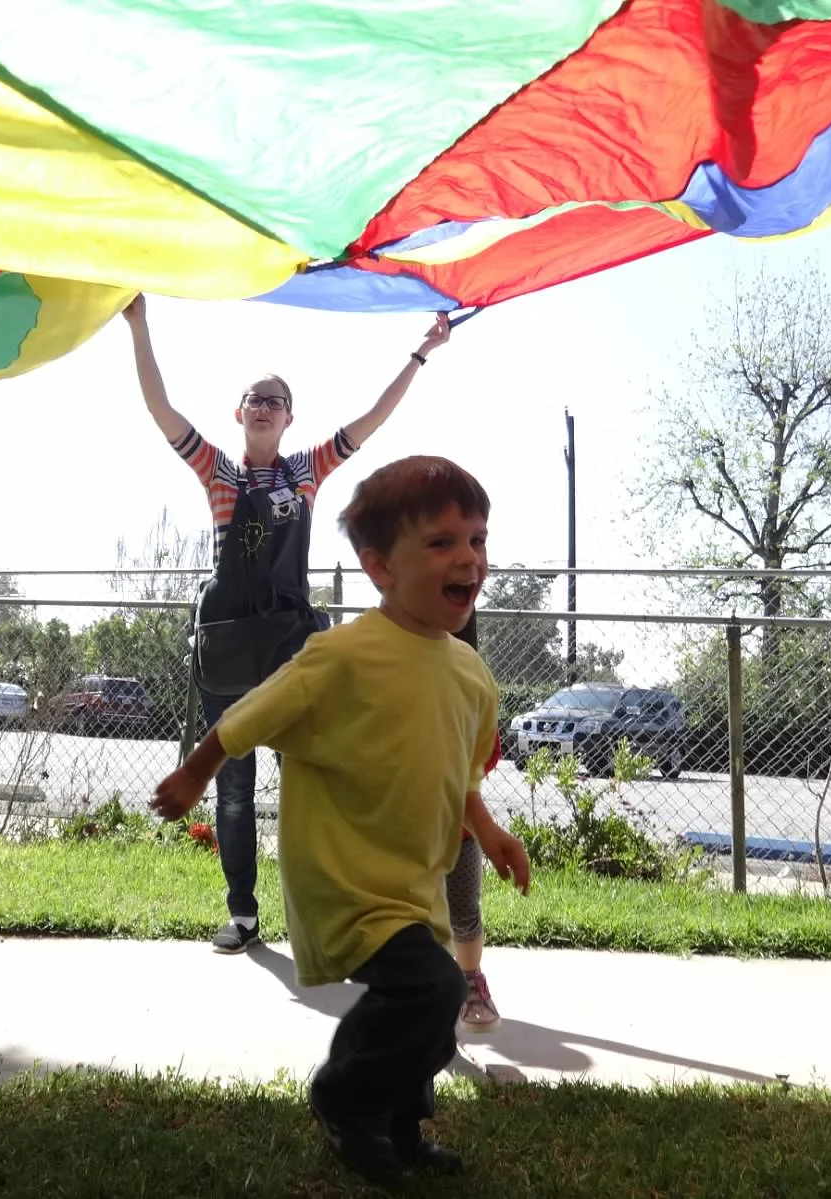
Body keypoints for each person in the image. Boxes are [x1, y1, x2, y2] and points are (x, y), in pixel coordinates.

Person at [152, 455, 531, 1184]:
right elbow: (249, 714)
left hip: (414, 883)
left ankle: (398, 1126)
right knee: (434, 988)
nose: (469, 559)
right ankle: (342, 1097)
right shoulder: (341, 656)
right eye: (444, 542)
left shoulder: (470, 674)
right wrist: (196, 771)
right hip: (346, 878)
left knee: (423, 1003)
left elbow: (458, 774)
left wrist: (490, 831)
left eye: (479, 540)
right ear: (380, 565)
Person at [123, 294, 452, 954]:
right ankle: (242, 913)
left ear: (289, 415)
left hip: (291, 646)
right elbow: (162, 410)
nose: (264, 405)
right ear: (239, 413)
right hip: (227, 647)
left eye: (275, 398)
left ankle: (340, 912)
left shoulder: (306, 473)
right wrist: (139, 324)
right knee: (234, 787)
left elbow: (370, 421)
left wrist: (421, 353)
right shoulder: (216, 470)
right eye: (254, 397)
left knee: (322, 776)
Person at [448, 609, 503, 1033]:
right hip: (403, 833)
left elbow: (489, 749)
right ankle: (419, 993)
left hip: (459, 830)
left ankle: (470, 982)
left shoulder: (471, 681)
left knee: (464, 911)